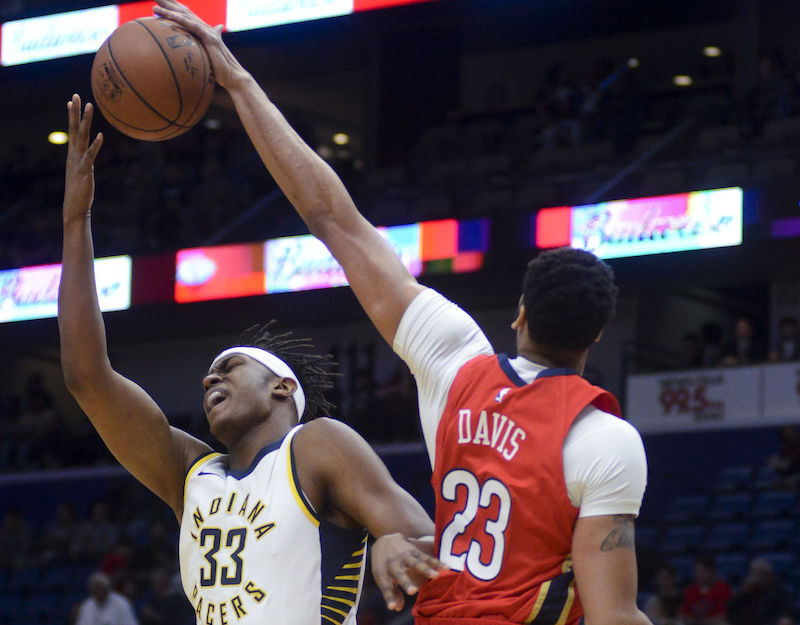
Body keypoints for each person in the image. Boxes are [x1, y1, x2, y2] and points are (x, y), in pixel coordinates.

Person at [151, 2, 650, 623]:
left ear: (520, 314)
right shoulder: (605, 439)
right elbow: (612, 614)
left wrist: (240, 81)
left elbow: (333, 219)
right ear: (597, 334)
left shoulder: (455, 363)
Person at [59, 94, 442, 623]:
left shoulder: (316, 446)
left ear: (282, 387)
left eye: (230, 367)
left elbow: (426, 542)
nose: (209, 378)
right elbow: (86, 377)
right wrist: (75, 219)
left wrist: (394, 541)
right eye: (209, 373)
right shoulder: (190, 473)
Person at [727, 558, 793, 625]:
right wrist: (744, 592)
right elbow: (731, 610)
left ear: (769, 575)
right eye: (754, 574)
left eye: (760, 574)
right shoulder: (747, 591)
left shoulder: (780, 593)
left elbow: (786, 613)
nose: (757, 578)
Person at [678, 555, 731, 625]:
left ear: (712, 572)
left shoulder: (722, 588)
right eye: (697, 571)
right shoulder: (690, 590)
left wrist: (705, 622)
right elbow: (682, 614)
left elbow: (724, 615)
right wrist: (691, 621)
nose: (699, 574)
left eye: (703, 571)